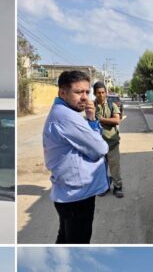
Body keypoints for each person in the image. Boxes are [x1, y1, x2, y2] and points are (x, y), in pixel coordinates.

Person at [43, 70, 109, 244]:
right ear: (62, 93)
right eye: (79, 92)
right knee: (78, 244)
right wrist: (93, 125)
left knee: (65, 240)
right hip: (77, 197)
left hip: (72, 194)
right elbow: (101, 148)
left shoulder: (65, 113)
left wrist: (91, 120)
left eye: (87, 92)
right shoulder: (66, 117)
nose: (85, 97)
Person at [93, 82, 123, 198]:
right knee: (100, 168)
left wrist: (101, 119)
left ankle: (118, 187)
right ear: (94, 93)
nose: (101, 95)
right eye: (98, 93)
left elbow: (116, 120)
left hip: (112, 142)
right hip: (97, 144)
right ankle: (104, 186)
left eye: (103, 92)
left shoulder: (112, 105)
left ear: (106, 93)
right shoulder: (92, 106)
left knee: (114, 166)